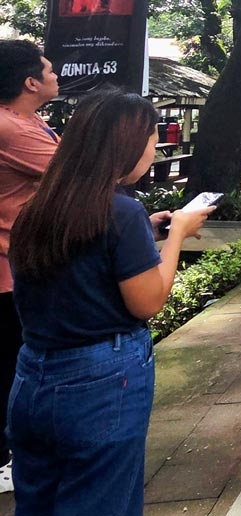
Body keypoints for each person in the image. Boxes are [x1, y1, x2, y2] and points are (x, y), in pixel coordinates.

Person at [7, 89, 213, 515]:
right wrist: (177, 234)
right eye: (152, 143)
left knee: (39, 503)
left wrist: (150, 233)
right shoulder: (121, 212)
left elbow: (87, 253)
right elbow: (148, 302)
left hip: (33, 376)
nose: (153, 152)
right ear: (126, 147)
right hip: (100, 382)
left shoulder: (40, 207)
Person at [0, 39, 60, 494]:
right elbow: (77, 174)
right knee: (10, 366)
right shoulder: (11, 129)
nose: (56, 76)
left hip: (20, 263)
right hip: (6, 269)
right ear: (29, 82)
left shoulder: (28, 120)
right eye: (49, 70)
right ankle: (7, 457)